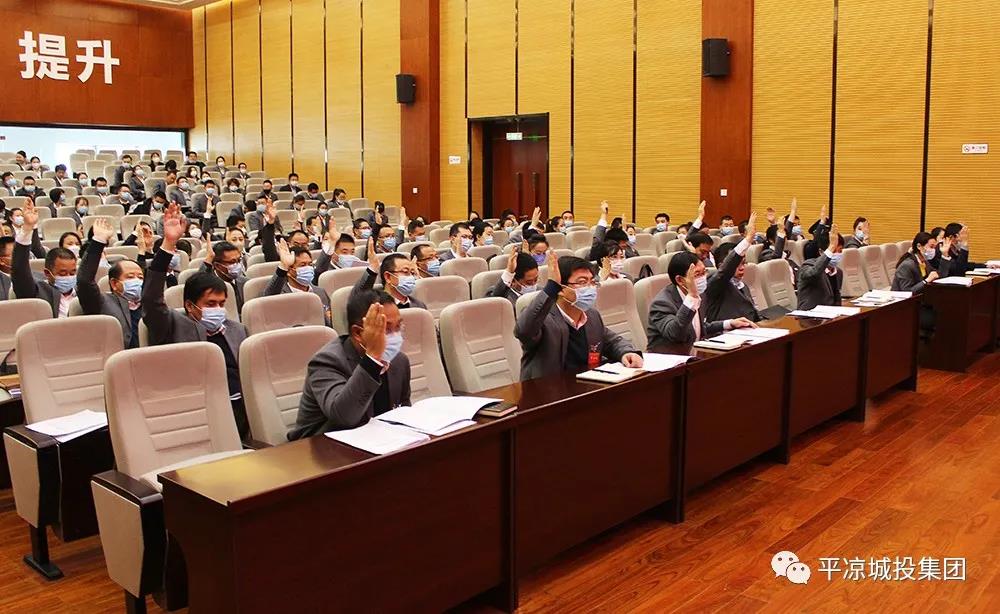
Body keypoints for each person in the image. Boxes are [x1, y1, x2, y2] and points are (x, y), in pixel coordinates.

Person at [143, 204, 250, 438]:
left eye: (221, 304)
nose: (218, 310)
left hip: (241, 410)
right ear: (190, 306)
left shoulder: (238, 330)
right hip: (195, 412)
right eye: (210, 304)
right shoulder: (172, 325)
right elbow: (151, 300)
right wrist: (168, 245)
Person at [288, 290, 410, 439]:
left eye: (398, 327)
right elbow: (344, 416)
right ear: (358, 333)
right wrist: (373, 359)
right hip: (321, 446)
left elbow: (403, 414)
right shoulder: (327, 362)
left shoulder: (399, 362)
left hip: (380, 442)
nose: (395, 336)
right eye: (385, 329)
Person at [515, 252, 641, 379]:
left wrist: (626, 353)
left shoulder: (592, 316)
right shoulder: (543, 319)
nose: (590, 288)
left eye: (592, 282)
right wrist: (551, 287)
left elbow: (612, 342)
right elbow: (523, 331)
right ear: (561, 289)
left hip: (588, 385)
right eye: (582, 282)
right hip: (548, 388)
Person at [646, 251, 757, 346]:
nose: (703, 278)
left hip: (694, 353)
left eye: (704, 272)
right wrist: (691, 297)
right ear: (680, 280)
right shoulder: (662, 303)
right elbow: (676, 334)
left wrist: (729, 323)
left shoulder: (700, 295)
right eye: (697, 274)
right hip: (668, 358)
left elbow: (697, 328)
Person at [77, 218, 144, 348]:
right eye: (130, 277)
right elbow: (84, 281)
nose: (137, 281)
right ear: (114, 283)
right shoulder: (102, 302)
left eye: (140, 278)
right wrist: (98, 241)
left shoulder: (149, 304)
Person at [703, 213, 782, 322]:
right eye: (737, 264)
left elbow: (752, 313)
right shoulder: (714, 283)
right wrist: (748, 239)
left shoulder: (742, 285)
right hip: (726, 330)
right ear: (722, 266)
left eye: (744, 263)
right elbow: (726, 268)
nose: (742, 268)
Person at [12, 203, 78, 317]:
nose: (69, 277)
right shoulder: (38, 291)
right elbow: (19, 270)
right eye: (62, 273)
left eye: (72, 273)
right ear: (48, 273)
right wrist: (27, 229)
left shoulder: (83, 292)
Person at [263, 238, 332, 322]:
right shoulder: (280, 295)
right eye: (302, 265)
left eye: (310, 264)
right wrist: (284, 267)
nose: (308, 268)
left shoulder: (320, 292)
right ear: (289, 270)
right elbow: (269, 297)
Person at [352, 239, 428, 310]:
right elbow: (358, 299)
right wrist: (372, 270)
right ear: (388, 277)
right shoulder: (375, 305)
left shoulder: (419, 306)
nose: (411, 277)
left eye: (412, 273)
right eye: (405, 272)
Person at [796, 224, 844, 310]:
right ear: (821, 252)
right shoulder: (808, 265)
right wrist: (831, 246)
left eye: (840, 251)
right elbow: (814, 273)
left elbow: (836, 300)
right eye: (833, 251)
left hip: (830, 314)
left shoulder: (838, 272)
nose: (837, 254)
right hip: (809, 315)